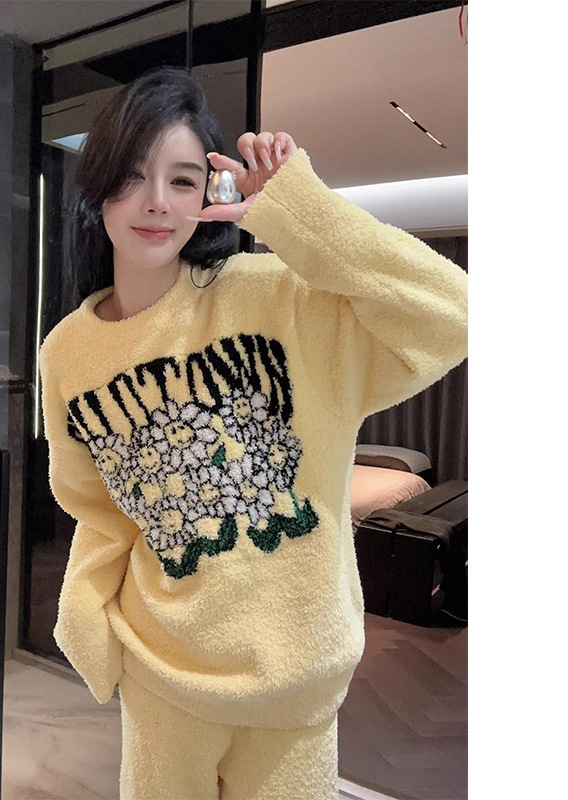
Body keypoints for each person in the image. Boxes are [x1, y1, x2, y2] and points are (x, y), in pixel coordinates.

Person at [38, 66, 468, 800]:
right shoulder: (68, 352)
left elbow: (452, 313)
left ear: (208, 193)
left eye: (181, 180)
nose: (155, 202)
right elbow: (95, 504)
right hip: (161, 674)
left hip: (293, 686)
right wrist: (91, 613)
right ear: (98, 186)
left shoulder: (273, 299)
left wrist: (301, 211)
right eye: (132, 176)